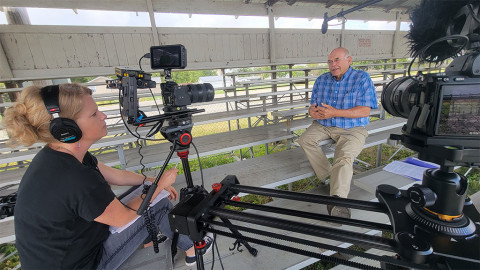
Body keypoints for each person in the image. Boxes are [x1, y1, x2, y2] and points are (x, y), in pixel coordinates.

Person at [2, 83, 212, 269]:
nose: (103, 116)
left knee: (151, 194)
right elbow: (122, 218)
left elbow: (115, 176)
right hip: (83, 263)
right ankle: (194, 249)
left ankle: (155, 233)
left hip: (73, 247)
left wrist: (151, 182)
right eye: (94, 114)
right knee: (157, 203)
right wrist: (159, 186)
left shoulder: (60, 155)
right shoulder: (75, 178)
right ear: (66, 128)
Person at [298, 47, 378, 218]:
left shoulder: (361, 78)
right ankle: (330, 176)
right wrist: (312, 112)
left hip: (352, 127)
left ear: (349, 60)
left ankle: (337, 201)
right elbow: (314, 106)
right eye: (330, 61)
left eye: (337, 60)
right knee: (305, 140)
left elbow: (364, 111)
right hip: (324, 124)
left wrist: (335, 112)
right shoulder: (321, 80)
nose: (333, 65)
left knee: (344, 157)